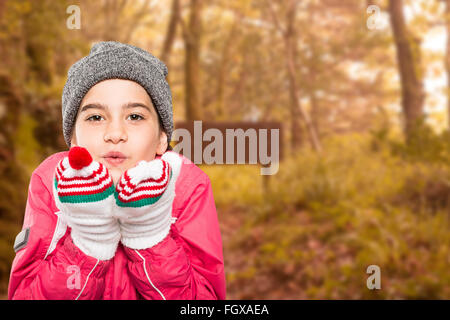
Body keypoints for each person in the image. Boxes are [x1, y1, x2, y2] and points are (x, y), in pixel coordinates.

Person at [8, 41, 226, 300]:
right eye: (95, 117)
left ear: (161, 140)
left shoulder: (186, 187)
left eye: (134, 116)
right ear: (73, 140)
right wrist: (88, 242)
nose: (114, 134)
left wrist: (149, 235)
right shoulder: (50, 183)